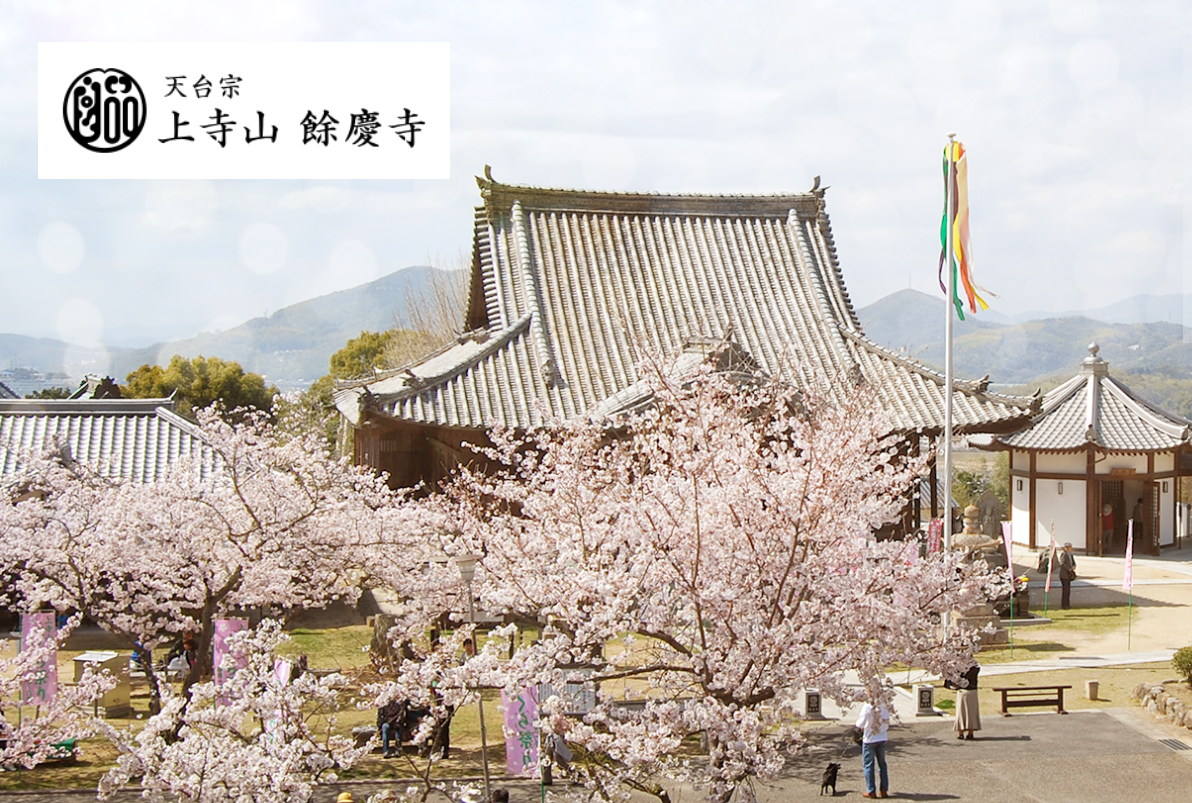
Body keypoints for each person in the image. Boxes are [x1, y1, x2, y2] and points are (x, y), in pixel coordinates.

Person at [855, 699, 891, 799]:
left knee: (868, 765)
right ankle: (884, 789)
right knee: (882, 764)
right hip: (882, 737)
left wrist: (857, 725)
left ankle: (871, 790)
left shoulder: (867, 706)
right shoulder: (885, 704)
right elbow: (887, 720)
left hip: (869, 739)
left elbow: (861, 723)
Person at [951, 662, 981, 740]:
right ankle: (970, 732)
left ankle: (960, 733)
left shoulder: (959, 668)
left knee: (961, 712)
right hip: (973, 691)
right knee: (972, 712)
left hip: (962, 691)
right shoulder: (976, 668)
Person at [1056, 542, 1077, 610]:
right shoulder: (1064, 554)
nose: (1068, 548)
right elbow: (1062, 564)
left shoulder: (1070, 555)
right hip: (1064, 575)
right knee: (1065, 591)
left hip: (1069, 575)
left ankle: (1068, 604)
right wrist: (1068, 568)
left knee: (1068, 591)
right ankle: (1064, 605)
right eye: (1067, 547)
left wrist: (1074, 566)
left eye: (1069, 547)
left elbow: (1073, 562)